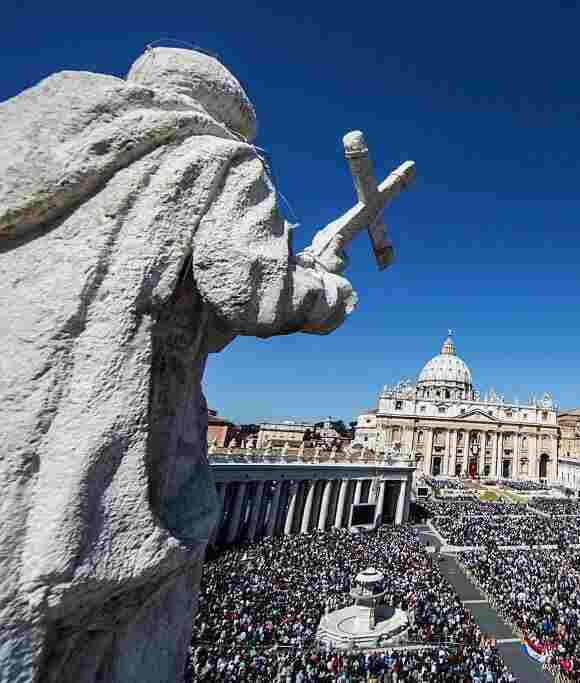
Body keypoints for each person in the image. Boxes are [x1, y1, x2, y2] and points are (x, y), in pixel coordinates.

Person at [0, 47, 357, 681]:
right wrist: (328, 287)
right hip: (98, 439)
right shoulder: (211, 155)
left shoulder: (25, 132)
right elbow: (253, 290)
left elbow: (191, 309)